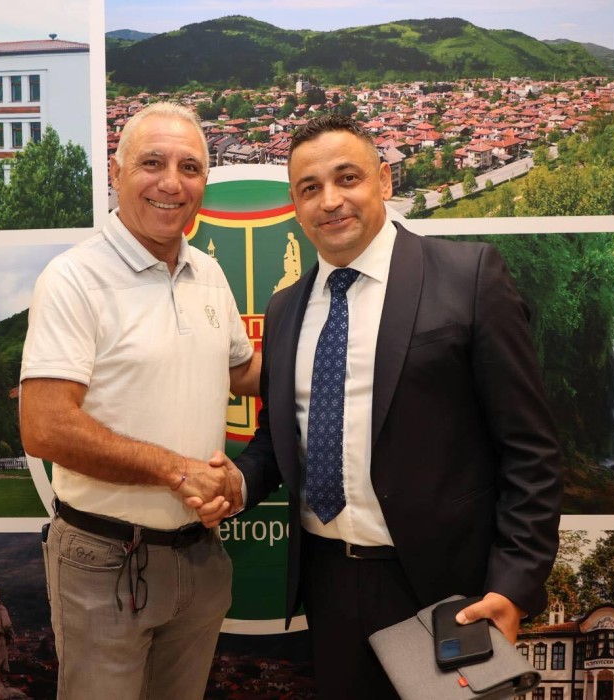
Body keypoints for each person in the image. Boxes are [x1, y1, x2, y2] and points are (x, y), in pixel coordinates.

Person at [190, 114, 561, 699]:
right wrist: (236, 482)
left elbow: (531, 450)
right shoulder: (286, 309)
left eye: (348, 178)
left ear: (383, 181)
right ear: (295, 206)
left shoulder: (469, 277)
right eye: (310, 188)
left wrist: (512, 586)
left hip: (447, 591)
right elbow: (280, 439)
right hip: (329, 582)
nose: (330, 200)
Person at [20, 101, 258, 699]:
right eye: (153, 163)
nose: (171, 183)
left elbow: (244, 372)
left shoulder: (209, 274)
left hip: (200, 555)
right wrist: (177, 471)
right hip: (105, 560)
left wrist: (347, 352)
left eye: (190, 167)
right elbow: (45, 427)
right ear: (116, 171)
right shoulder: (74, 278)